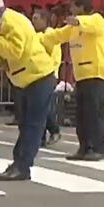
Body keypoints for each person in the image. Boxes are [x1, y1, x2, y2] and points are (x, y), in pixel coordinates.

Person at [0, 2, 55, 181]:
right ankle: (19, 163)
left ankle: (23, 166)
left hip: (39, 76)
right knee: (25, 125)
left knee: (32, 125)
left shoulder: (11, 20)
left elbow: (15, 51)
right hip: (24, 79)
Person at [43, 0, 104, 161]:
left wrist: (78, 21)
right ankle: (84, 147)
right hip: (80, 77)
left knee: (94, 115)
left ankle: (98, 148)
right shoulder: (73, 27)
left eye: (73, 7)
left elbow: (89, 24)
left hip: (96, 75)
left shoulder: (97, 19)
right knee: (81, 115)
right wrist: (34, 38)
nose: (70, 10)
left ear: (81, 7)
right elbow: (56, 36)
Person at [32, 10, 62, 146]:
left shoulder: (50, 35)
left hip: (48, 74)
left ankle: (54, 130)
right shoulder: (37, 35)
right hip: (37, 74)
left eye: (36, 18)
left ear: (45, 20)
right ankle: (41, 137)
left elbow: (54, 57)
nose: (33, 21)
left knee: (44, 106)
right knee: (39, 106)